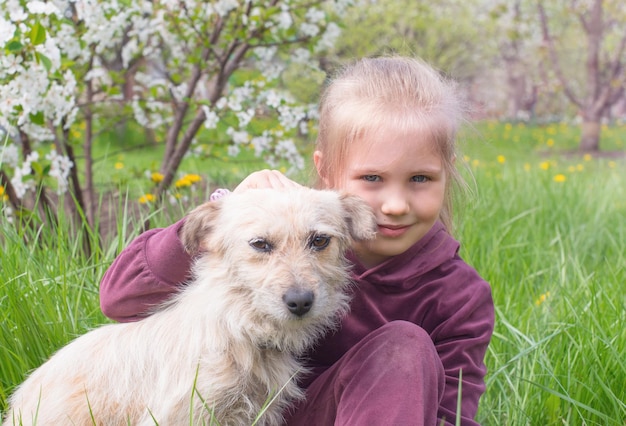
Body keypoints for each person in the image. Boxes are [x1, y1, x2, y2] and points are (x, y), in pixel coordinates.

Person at [99, 56, 494, 425]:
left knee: (402, 347)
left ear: (446, 174)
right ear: (326, 171)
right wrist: (230, 212)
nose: (394, 205)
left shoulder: (459, 297)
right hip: (239, 408)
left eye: (420, 179)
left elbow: (451, 413)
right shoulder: (280, 222)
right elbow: (120, 299)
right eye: (372, 178)